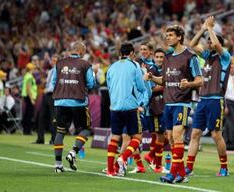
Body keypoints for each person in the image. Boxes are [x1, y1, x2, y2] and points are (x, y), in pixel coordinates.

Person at [145, 25, 203, 183]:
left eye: (170, 35)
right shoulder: (168, 57)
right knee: (170, 138)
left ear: (179, 37)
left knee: (177, 136)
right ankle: (182, 175)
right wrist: (151, 77)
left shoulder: (190, 57)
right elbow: (164, 80)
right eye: (166, 35)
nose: (167, 37)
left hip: (181, 103)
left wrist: (189, 84)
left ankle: (172, 173)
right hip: (168, 103)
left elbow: (200, 80)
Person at [186, 16, 231, 177]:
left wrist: (211, 28)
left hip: (215, 100)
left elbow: (217, 44)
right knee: (195, 134)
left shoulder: (225, 57)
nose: (208, 43)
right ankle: (189, 167)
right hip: (202, 100)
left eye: (210, 42)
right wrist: (203, 29)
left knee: (215, 134)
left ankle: (224, 167)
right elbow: (191, 45)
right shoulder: (207, 57)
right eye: (208, 42)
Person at [51, 42, 96, 173]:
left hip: (60, 102)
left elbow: (54, 82)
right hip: (78, 102)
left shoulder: (59, 63)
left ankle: (58, 165)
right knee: (86, 129)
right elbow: (91, 83)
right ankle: (73, 152)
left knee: (60, 132)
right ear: (81, 51)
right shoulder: (85, 64)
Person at [105, 42, 149, 177]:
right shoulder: (134, 65)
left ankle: (110, 170)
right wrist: (145, 78)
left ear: (120, 53)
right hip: (130, 107)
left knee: (115, 138)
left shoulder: (111, 67)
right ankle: (123, 158)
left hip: (115, 106)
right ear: (131, 53)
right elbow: (141, 87)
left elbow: (109, 86)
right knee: (137, 137)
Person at [143, 48, 168, 173]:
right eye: (157, 57)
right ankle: (158, 166)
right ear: (154, 57)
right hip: (155, 106)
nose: (159, 59)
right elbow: (150, 89)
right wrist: (166, 85)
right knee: (160, 136)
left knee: (166, 136)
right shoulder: (152, 70)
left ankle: (151, 155)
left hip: (164, 105)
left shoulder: (166, 69)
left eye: (161, 57)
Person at [34, 54, 58, 144]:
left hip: (53, 95)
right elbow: (49, 83)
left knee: (53, 118)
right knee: (41, 117)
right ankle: (40, 139)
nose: (53, 62)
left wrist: (47, 89)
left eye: (55, 60)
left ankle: (54, 139)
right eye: (52, 60)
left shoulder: (58, 71)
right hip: (47, 95)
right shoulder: (51, 71)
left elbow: (55, 85)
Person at [21, 63, 37, 135]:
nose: (34, 69)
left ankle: (25, 130)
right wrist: (32, 99)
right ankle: (27, 130)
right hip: (29, 97)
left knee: (27, 113)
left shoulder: (26, 76)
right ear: (31, 69)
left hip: (26, 96)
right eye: (33, 68)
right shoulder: (30, 77)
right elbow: (28, 88)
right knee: (29, 114)